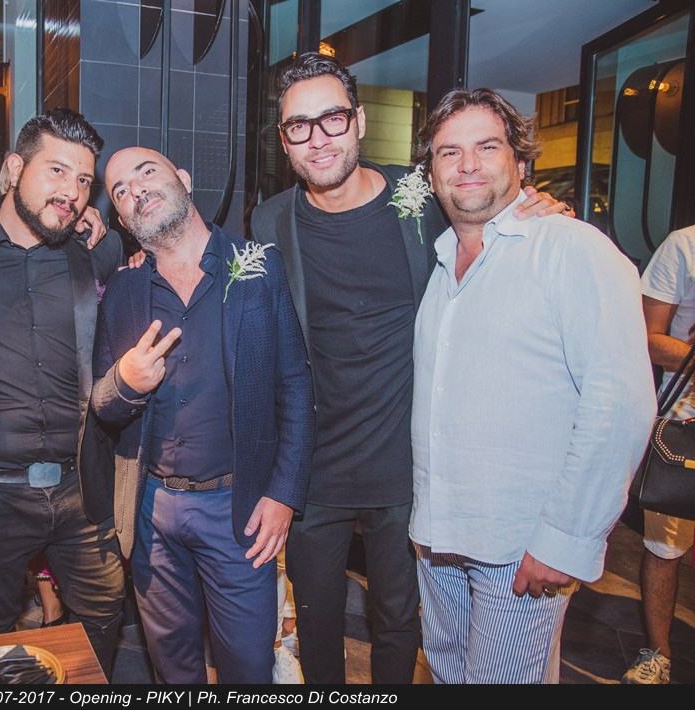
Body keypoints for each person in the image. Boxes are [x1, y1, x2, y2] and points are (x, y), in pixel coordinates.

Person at [249, 51, 566, 684]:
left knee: (398, 619)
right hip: (315, 468)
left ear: (360, 121)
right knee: (316, 620)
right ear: (283, 141)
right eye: (299, 127)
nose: (318, 138)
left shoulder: (417, 196)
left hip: (408, 464)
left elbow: (485, 212)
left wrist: (536, 210)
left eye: (333, 119)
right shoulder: (270, 219)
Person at [410, 87, 655, 683]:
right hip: (439, 535)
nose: (467, 165)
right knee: (446, 674)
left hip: (519, 548)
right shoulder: (441, 265)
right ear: (432, 174)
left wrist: (565, 539)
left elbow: (619, 404)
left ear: (521, 162)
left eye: (487, 147)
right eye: (449, 152)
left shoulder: (572, 250)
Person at [92, 146, 314, 683]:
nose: (135, 190)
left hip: (239, 511)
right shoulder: (123, 290)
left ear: (184, 179)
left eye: (146, 172)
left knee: (249, 667)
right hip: (152, 513)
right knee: (173, 667)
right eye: (120, 191)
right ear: (122, 220)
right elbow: (101, 404)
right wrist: (126, 384)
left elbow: (295, 385)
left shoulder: (259, 266)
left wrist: (284, 493)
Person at [0, 109, 124, 676]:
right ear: (14, 168)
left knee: (102, 615)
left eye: (83, 180)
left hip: (80, 488)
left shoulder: (95, 252)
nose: (72, 192)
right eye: (56, 171)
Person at [622, 224, 695, 684]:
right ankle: (658, 654)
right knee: (665, 546)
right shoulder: (684, 245)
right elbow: (647, 337)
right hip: (686, 422)